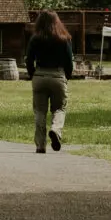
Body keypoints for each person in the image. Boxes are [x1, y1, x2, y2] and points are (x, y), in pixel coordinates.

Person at [27, 9, 73, 153]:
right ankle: (55, 130)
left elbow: (29, 59)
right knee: (59, 108)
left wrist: (32, 74)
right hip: (58, 75)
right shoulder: (64, 38)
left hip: (40, 75)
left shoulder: (35, 38)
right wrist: (67, 76)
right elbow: (69, 61)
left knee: (40, 111)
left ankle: (40, 145)